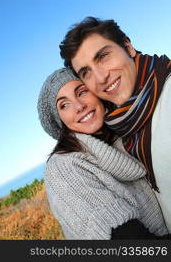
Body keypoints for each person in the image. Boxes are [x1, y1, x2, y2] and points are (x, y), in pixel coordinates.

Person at [59, 17, 171, 232]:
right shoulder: (122, 126)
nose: (100, 78)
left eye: (103, 57)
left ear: (128, 47)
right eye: (86, 72)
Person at [37, 67, 169, 240]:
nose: (79, 106)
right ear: (60, 121)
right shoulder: (63, 167)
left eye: (82, 92)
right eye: (64, 105)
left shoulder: (126, 139)